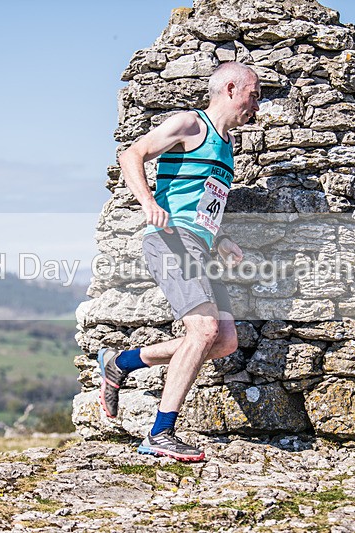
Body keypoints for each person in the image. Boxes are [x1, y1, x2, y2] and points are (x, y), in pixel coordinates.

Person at [98, 62, 261, 461]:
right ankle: (160, 433)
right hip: (171, 240)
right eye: (253, 94)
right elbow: (131, 154)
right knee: (203, 330)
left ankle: (121, 362)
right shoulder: (192, 124)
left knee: (223, 341)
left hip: (200, 246)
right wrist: (148, 203)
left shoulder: (226, 146)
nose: (257, 105)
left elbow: (201, 204)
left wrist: (220, 239)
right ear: (229, 88)